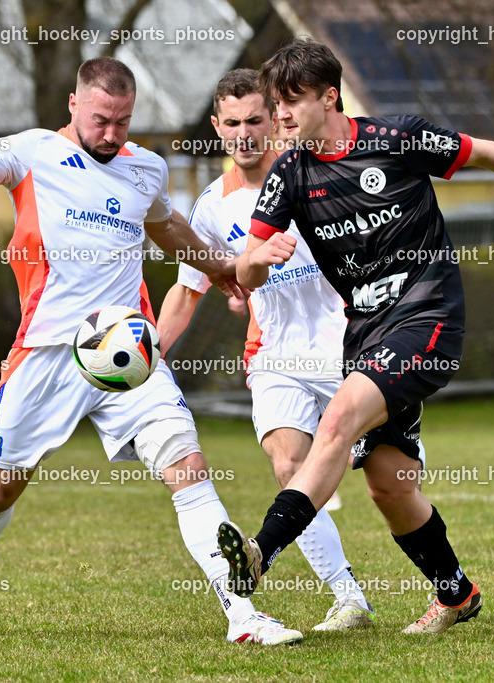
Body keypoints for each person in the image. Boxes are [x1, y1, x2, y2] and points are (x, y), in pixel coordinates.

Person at [0, 57, 303, 645]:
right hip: (47, 353)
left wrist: (220, 266)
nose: (113, 134)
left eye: (123, 121)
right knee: (0, 488)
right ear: (74, 105)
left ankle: (242, 616)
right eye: (101, 120)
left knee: (188, 467)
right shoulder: (32, 152)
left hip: (130, 348)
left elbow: (166, 227)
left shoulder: (145, 168)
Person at [217, 38, 494, 634]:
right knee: (390, 485)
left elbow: (483, 151)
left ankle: (260, 553)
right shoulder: (289, 173)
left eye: (290, 104)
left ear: (329, 97)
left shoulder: (396, 140)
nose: (279, 117)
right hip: (365, 333)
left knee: (335, 422)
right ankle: (456, 594)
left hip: (427, 315)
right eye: (275, 106)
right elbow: (246, 270)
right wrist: (262, 256)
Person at [157, 69, 372, 631]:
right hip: (274, 355)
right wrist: (149, 353)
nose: (245, 134)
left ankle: (447, 587)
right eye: (232, 124)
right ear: (217, 127)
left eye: (255, 119)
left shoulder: (312, 174)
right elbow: (187, 291)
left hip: (349, 346)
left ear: (273, 117)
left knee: (391, 481)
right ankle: (349, 597)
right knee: (288, 466)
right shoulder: (209, 209)